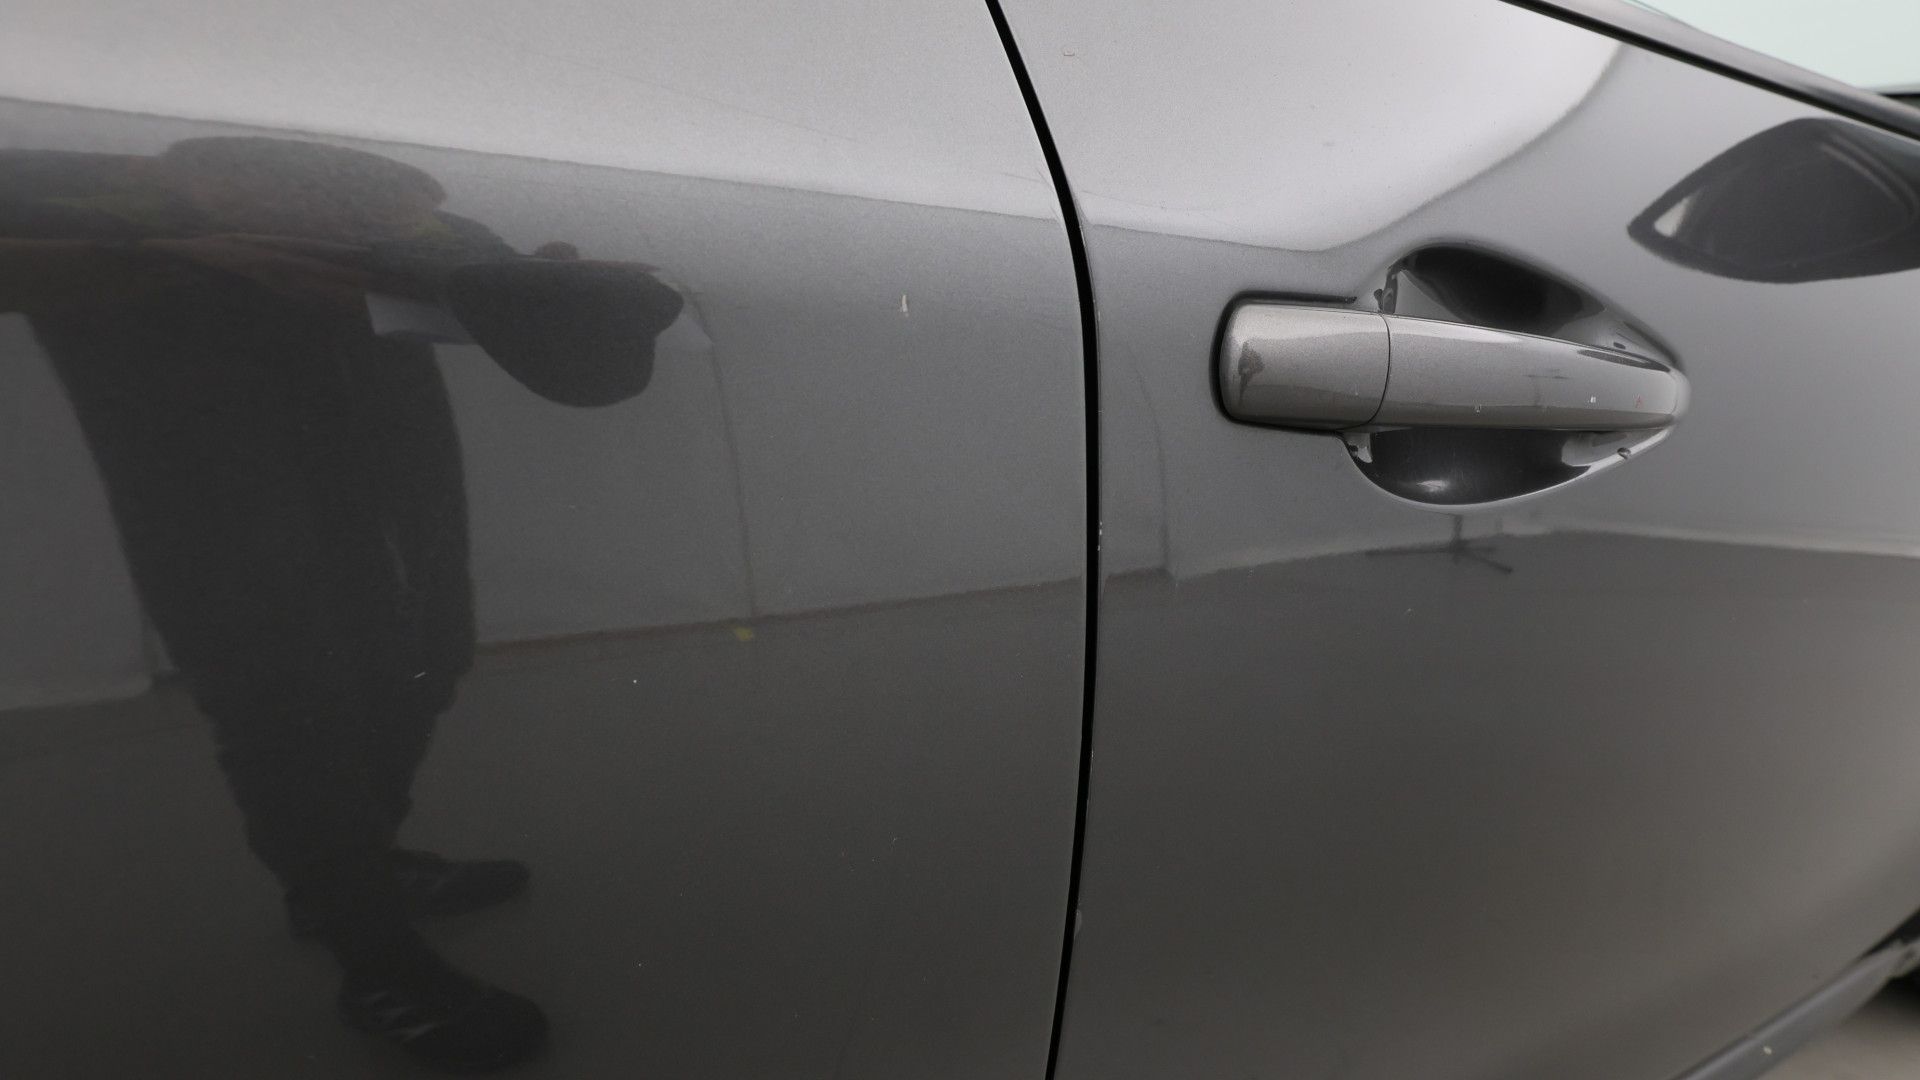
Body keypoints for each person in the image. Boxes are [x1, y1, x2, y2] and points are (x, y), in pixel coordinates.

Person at [0, 135, 680, 1071]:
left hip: (382, 428)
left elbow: (470, 275)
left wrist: (534, 283)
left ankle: (352, 874)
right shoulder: (61, 176)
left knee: (427, 653)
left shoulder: (345, 165)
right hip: (195, 450)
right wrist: (167, 259)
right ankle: (376, 960)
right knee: (283, 695)